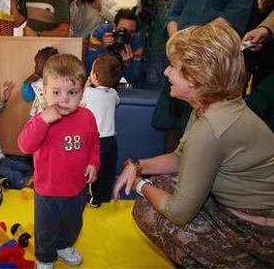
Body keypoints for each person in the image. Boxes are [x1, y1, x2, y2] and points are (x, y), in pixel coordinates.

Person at [113, 24, 274, 268]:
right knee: (162, 185)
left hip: (256, 234)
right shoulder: (213, 105)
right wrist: (137, 165)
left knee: (151, 211)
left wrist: (139, 184)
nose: (166, 72)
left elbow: (179, 212)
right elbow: (180, 158)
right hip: (238, 211)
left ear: (198, 76)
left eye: (173, 67)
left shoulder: (211, 126)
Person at [153, 0, 258, 152]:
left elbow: (238, 10)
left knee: (204, 125)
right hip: (180, 55)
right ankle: (168, 177)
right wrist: (178, 44)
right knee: (174, 124)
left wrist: (196, 42)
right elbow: (174, 12)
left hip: (210, 58)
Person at [18, 54, 100, 269]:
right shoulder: (40, 119)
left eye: (72, 92)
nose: (64, 99)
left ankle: (63, 246)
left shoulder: (87, 117)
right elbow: (24, 146)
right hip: (48, 189)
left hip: (76, 187)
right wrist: (43, 120)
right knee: (46, 228)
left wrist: (93, 162)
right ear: (44, 92)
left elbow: (94, 142)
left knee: (73, 224)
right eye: (56, 92)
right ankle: (44, 258)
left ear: (82, 93)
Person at [81, 53, 121, 208]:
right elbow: (117, 102)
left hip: (95, 141)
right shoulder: (113, 94)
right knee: (107, 171)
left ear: (95, 76)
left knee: (93, 169)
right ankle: (102, 197)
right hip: (111, 140)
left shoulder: (89, 93)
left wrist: (86, 85)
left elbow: (78, 102)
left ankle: (90, 198)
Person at [136, 0, 175, 90]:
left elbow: (167, 23)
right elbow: (138, 26)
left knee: (154, 94)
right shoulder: (148, 2)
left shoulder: (171, 4)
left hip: (160, 56)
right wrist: (140, 4)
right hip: (142, 54)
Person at [85, 8, 143, 86]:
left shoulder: (136, 42)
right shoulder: (100, 33)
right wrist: (102, 48)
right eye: (123, 30)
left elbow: (133, 79)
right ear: (114, 27)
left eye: (131, 32)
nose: (126, 35)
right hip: (99, 83)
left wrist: (127, 65)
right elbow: (88, 68)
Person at [21, 46, 59, 118]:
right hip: (35, 116)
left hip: (51, 116)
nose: (35, 67)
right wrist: (28, 82)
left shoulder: (58, 81)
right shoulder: (36, 81)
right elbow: (27, 98)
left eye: (37, 64)